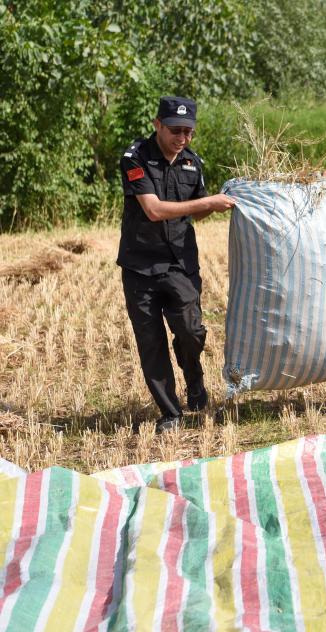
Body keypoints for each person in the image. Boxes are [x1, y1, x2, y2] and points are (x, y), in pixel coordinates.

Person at [117, 96, 235, 434]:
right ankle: (170, 412)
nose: (181, 138)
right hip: (140, 264)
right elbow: (153, 209)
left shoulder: (193, 163)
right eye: (175, 130)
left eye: (188, 132)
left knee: (191, 330)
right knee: (150, 341)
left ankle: (193, 374)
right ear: (157, 124)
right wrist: (207, 202)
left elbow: (196, 209)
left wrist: (220, 204)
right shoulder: (135, 158)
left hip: (180, 263)